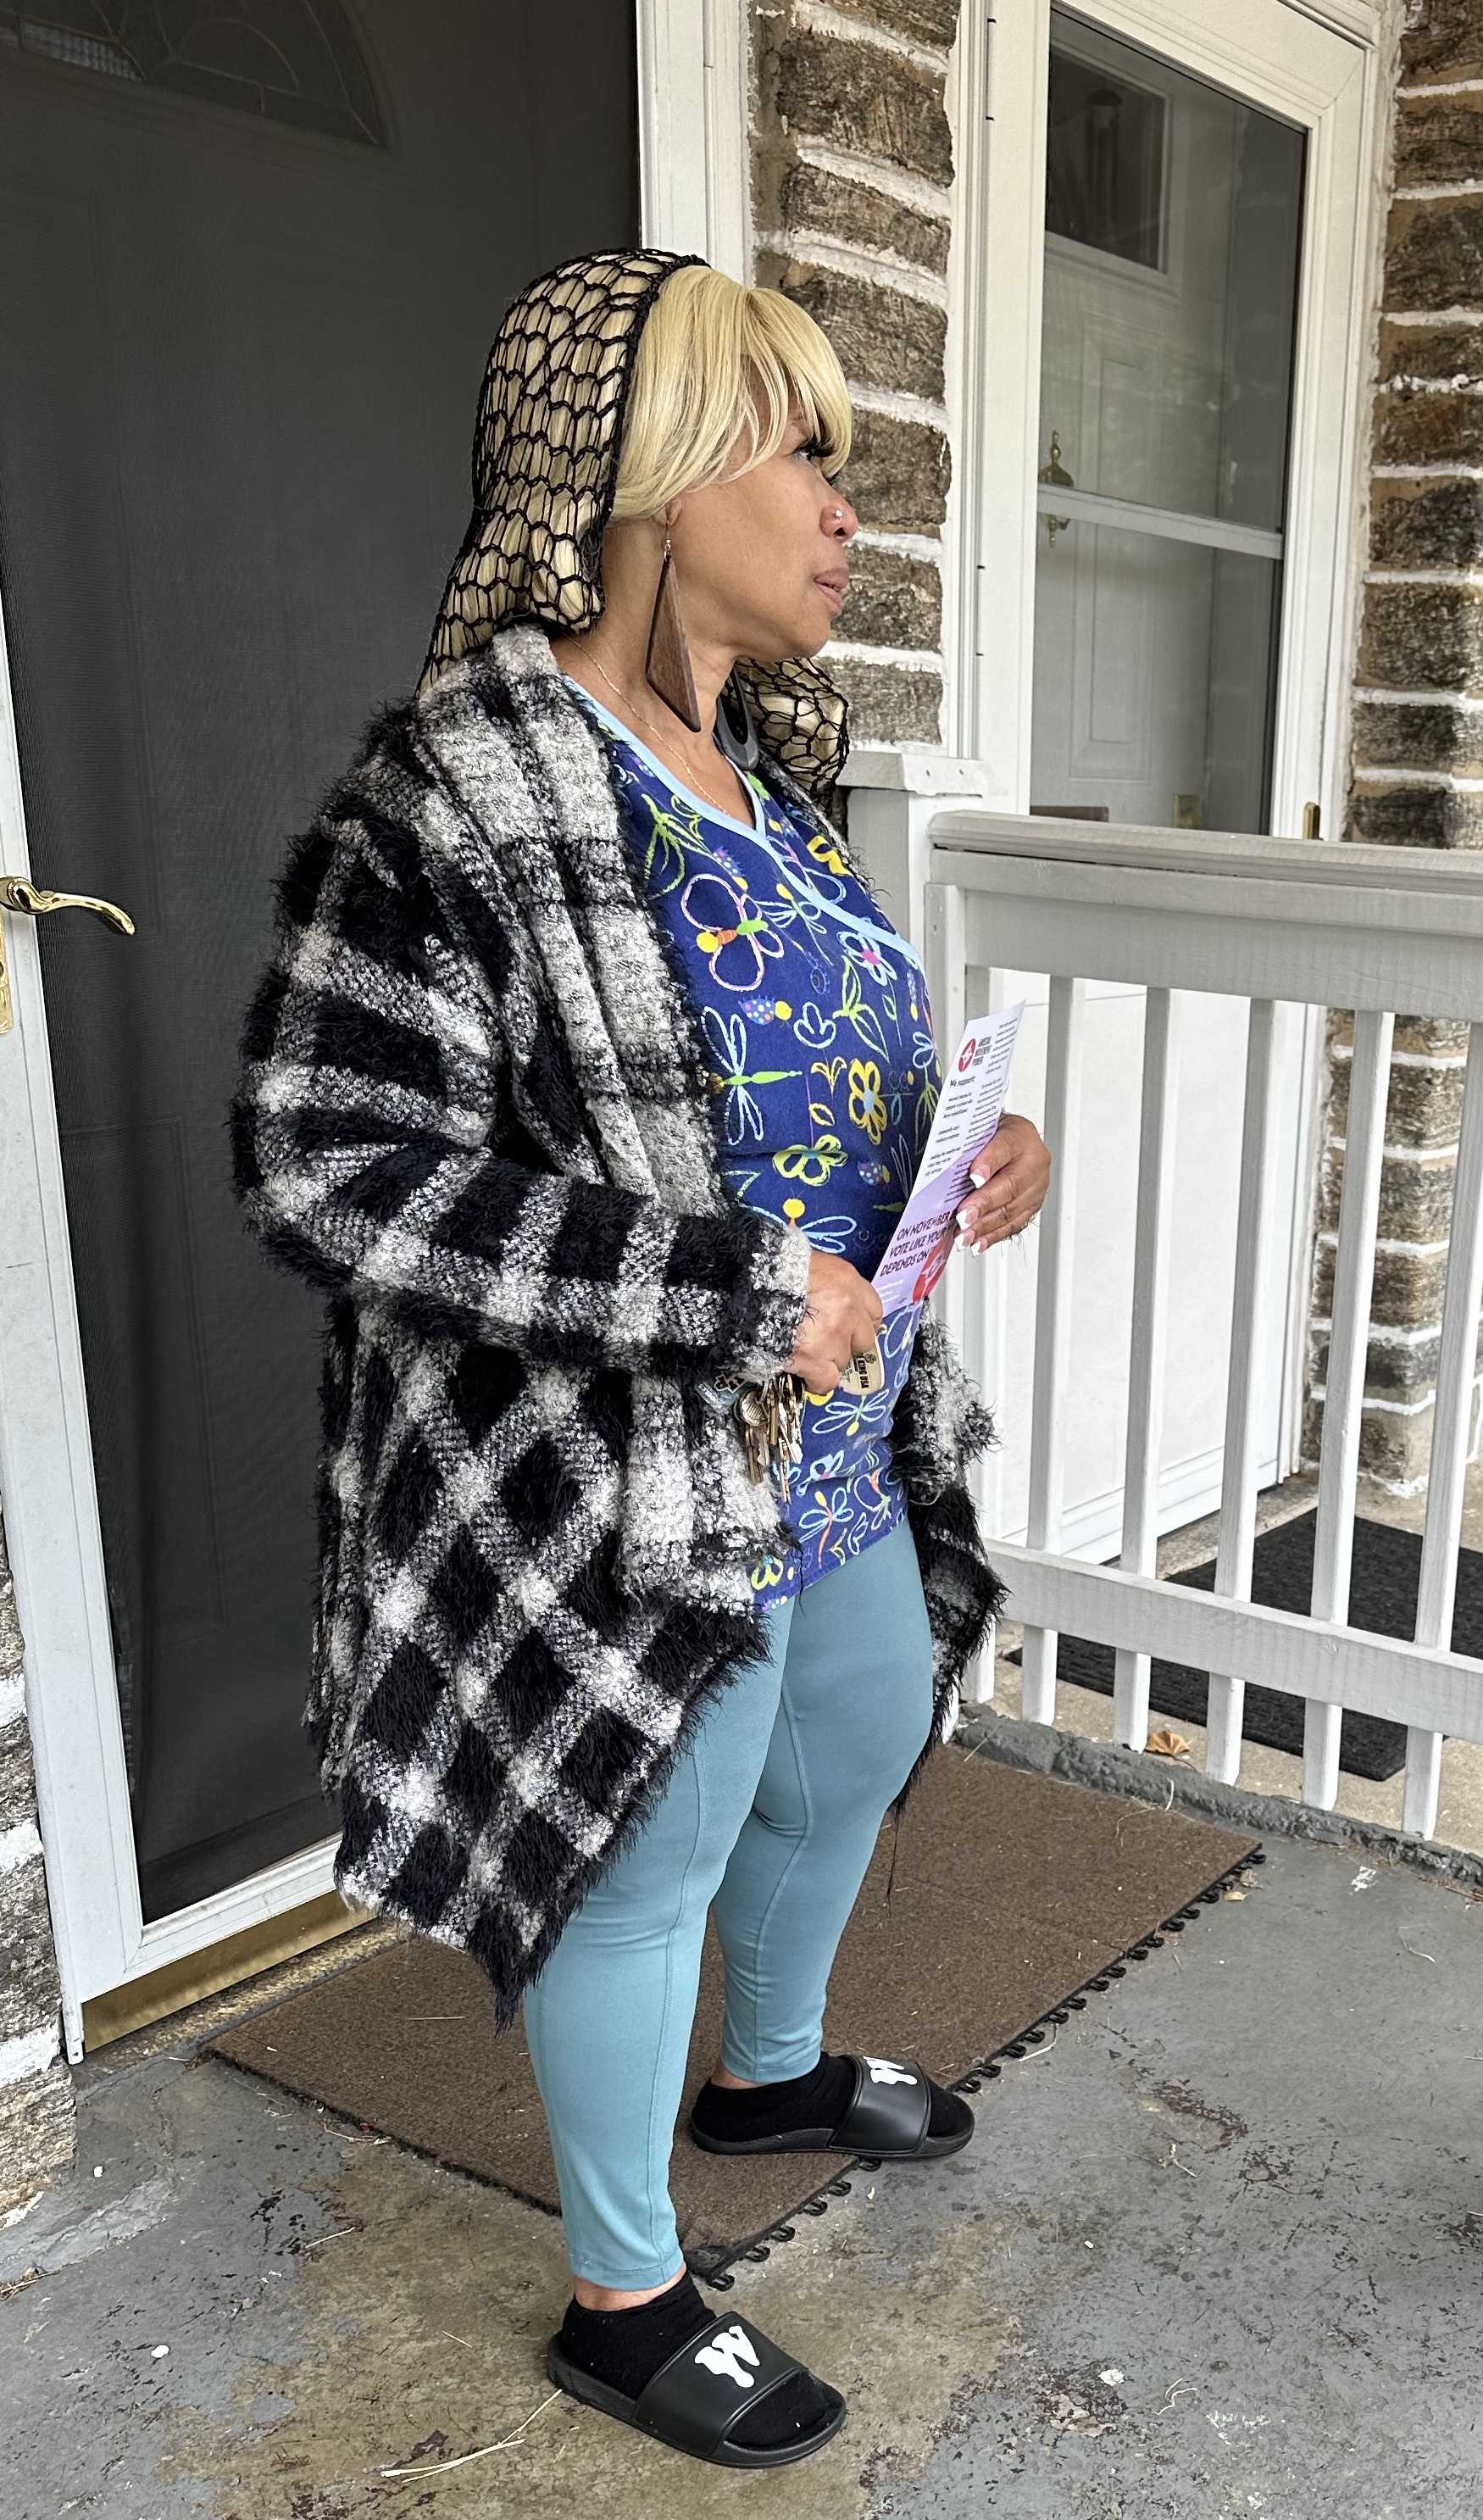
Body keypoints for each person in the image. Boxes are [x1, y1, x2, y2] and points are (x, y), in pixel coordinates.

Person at [233, 252, 1049, 2472]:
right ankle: (624, 2289)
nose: (846, 508)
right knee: (648, 1843)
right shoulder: (470, 793)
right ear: (650, 482)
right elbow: (338, 1164)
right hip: (611, 1461)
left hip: (835, 1436)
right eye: (801, 449)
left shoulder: (771, 786)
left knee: (867, 1715)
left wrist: (974, 1161)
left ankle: (770, 2065)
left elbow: (832, 1074)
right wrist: (720, 1290)